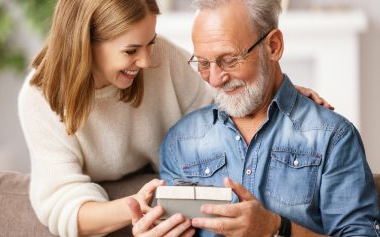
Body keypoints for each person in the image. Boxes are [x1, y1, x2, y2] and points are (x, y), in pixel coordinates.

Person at [18, 0, 333, 236]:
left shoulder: (161, 60)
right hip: (125, 205)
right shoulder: (40, 98)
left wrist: (278, 89)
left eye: (150, 42)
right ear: (85, 44)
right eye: (130, 51)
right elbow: (61, 203)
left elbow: (223, 94)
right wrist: (142, 206)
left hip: (166, 186)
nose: (146, 60)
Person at [140, 0, 379, 236]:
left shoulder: (332, 137)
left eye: (230, 60)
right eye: (203, 63)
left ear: (273, 46)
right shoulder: (180, 140)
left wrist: (276, 228)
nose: (213, 79)